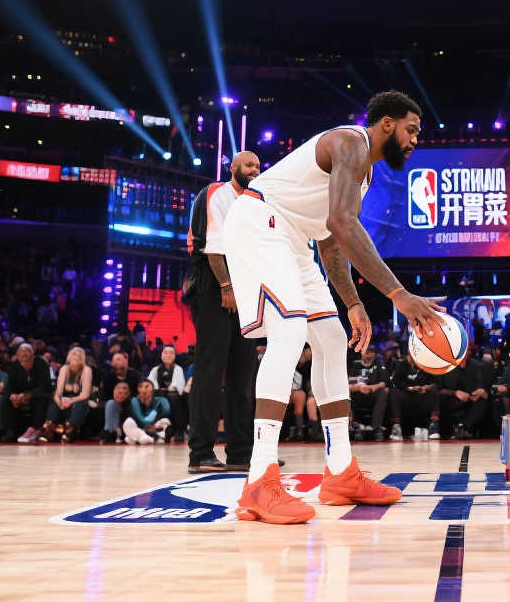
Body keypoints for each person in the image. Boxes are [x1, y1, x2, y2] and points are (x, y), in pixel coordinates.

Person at [224, 91, 444, 524]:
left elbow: (330, 239)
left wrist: (353, 302)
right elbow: (342, 223)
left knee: (331, 337)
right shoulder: (350, 143)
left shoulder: (364, 174)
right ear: (386, 124)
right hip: (260, 222)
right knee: (289, 332)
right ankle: (259, 480)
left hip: (295, 239)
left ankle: (341, 472)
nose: (415, 140)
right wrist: (398, 294)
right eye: (411, 130)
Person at [185, 150, 261, 473]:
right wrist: (227, 287)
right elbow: (213, 248)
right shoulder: (216, 193)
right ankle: (200, 453)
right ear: (233, 168)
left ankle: (241, 453)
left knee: (243, 374)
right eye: (249, 165)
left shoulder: (257, 201)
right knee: (210, 371)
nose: (255, 170)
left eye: (258, 166)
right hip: (214, 285)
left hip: (245, 287)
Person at [39, 346, 93, 442]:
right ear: (69, 357)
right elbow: (58, 393)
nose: (76, 357)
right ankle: (49, 428)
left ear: (83, 359)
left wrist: (70, 401)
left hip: (79, 398)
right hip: (65, 398)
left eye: (79, 356)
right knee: (54, 400)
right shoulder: (64, 368)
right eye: (74, 354)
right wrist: (59, 402)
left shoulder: (86, 370)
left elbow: (85, 394)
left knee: (80, 403)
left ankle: (70, 430)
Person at [3, 343, 53, 443]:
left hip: (39, 395)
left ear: (33, 355)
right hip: (20, 397)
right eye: (22, 351)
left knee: (41, 398)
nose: (24, 353)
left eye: (27, 351)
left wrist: (28, 395)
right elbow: (8, 387)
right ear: (17, 355)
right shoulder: (14, 366)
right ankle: (10, 431)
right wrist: (13, 396)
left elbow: (44, 386)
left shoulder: (41, 364)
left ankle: (34, 429)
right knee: (5, 399)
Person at [389, 351, 440, 440]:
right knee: (394, 392)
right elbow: (395, 382)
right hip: (407, 396)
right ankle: (396, 426)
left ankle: (433, 426)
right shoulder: (402, 365)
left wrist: (426, 387)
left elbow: (435, 382)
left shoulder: (426, 364)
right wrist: (410, 388)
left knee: (434, 391)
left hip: (421, 396)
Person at [347, 345, 390, 441]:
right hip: (358, 394)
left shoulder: (379, 365)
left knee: (383, 392)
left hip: (372, 394)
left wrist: (371, 387)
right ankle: (354, 426)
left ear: (374, 354)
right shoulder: (355, 365)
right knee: (347, 393)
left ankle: (376, 428)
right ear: (361, 353)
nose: (368, 355)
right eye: (366, 352)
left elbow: (383, 383)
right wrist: (359, 388)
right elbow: (349, 385)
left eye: (370, 352)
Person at [99, 352, 141, 443]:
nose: (115, 362)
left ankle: (133, 433)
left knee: (135, 401)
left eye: (118, 359)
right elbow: (102, 399)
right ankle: (110, 432)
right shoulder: (107, 377)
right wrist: (116, 399)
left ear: (126, 361)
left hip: (130, 404)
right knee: (111, 403)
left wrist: (125, 398)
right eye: (113, 360)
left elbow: (140, 395)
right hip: (114, 405)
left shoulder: (135, 375)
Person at [148, 346, 187, 442]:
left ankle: (179, 431)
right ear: (161, 355)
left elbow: (178, 386)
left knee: (173, 398)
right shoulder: (155, 369)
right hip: (159, 395)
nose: (168, 355)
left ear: (175, 356)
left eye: (171, 353)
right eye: (165, 352)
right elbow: (150, 383)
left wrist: (167, 390)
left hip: (173, 397)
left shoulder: (178, 369)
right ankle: (156, 431)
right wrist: (159, 390)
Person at [123, 379, 172, 444]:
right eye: (140, 387)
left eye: (147, 386)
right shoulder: (135, 400)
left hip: (155, 427)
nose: (143, 389)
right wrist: (146, 427)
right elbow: (140, 418)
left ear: (152, 389)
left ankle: (141, 438)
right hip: (141, 427)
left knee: (165, 421)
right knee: (128, 421)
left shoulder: (161, 400)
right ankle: (150, 438)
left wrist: (153, 422)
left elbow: (166, 412)